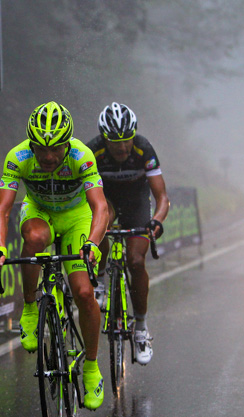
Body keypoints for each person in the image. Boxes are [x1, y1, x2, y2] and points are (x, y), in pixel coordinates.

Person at [0, 101, 108, 410]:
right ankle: (29, 308)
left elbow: (100, 207)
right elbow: (2, 209)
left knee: (82, 291)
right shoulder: (18, 157)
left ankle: (92, 368)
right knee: (35, 237)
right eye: (41, 149)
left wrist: (92, 243)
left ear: (68, 144)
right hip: (39, 211)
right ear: (31, 144)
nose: (49, 156)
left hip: (76, 216)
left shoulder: (82, 156)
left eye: (56, 149)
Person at [86, 102, 170, 365]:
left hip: (136, 203)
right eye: (115, 142)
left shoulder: (143, 148)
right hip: (106, 201)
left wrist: (156, 220)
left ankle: (141, 329)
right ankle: (99, 279)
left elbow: (162, 197)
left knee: (135, 260)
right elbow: (82, 193)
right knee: (102, 225)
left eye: (126, 141)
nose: (122, 148)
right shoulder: (92, 150)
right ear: (104, 138)